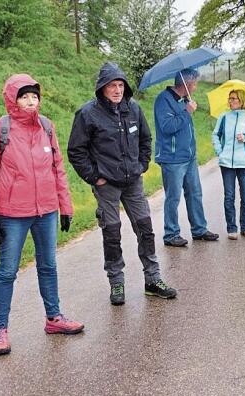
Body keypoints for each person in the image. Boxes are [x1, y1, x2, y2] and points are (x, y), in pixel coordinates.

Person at [0, 73, 84, 357]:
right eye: (24, 96)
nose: (30, 101)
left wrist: (66, 206)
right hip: (11, 214)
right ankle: (0, 329)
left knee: (48, 265)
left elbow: (57, 169)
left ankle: (54, 318)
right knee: (7, 271)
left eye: (34, 96)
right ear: (12, 99)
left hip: (46, 211)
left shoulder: (47, 127)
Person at [67, 62, 177, 306]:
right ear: (102, 89)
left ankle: (153, 279)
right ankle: (116, 282)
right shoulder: (88, 114)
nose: (117, 90)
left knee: (145, 229)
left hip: (133, 182)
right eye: (112, 86)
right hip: (107, 185)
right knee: (112, 232)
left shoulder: (133, 109)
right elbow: (76, 151)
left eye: (120, 85)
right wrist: (94, 177)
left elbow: (146, 139)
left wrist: (142, 165)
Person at [153, 68, 219, 247]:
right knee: (173, 197)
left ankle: (199, 229)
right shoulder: (163, 100)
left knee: (195, 193)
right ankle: (171, 234)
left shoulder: (184, 100)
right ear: (187, 84)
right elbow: (167, 126)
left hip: (189, 157)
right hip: (172, 158)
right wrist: (186, 112)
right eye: (195, 82)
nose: (196, 86)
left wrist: (186, 108)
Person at [211, 89, 245, 240]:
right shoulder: (224, 117)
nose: (230, 101)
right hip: (226, 163)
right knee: (229, 196)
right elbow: (215, 135)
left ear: (241, 100)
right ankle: (231, 228)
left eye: (234, 99)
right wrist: (220, 152)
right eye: (230, 98)